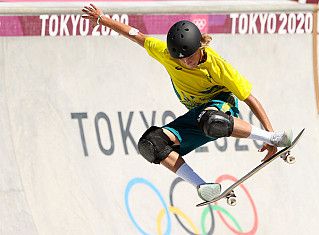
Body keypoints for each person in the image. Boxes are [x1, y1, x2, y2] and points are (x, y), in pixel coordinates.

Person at [82, 4, 292, 201]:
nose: (187, 62)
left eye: (190, 56)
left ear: (200, 46)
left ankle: (273, 137)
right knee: (151, 143)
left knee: (211, 120)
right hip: (196, 115)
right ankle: (203, 187)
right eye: (181, 59)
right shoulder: (166, 54)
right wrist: (102, 19)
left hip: (221, 107)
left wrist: (271, 136)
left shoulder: (217, 66)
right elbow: (136, 35)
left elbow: (249, 98)